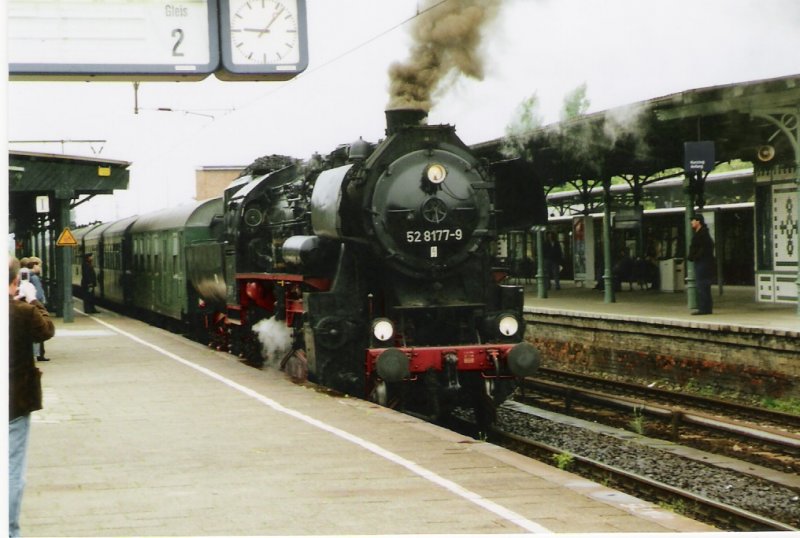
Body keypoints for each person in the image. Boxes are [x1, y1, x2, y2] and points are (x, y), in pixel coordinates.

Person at [9, 256, 56, 537]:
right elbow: (46, 330)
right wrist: (33, 300)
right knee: (12, 471)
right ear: (16, 282)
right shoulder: (21, 313)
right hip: (14, 404)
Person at [687, 213, 715, 315]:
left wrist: (695, 257)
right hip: (703, 262)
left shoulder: (702, 234)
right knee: (704, 286)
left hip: (703, 263)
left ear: (698, 221)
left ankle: (704, 308)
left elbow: (705, 248)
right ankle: (707, 308)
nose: (691, 222)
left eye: (693, 220)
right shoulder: (703, 233)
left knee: (701, 285)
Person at [26, 257, 49, 361]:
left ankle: (37, 353)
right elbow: (39, 294)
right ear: (35, 265)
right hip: (36, 306)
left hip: (30, 305)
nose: (40, 267)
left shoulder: (26, 276)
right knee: (40, 328)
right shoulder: (34, 278)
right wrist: (42, 304)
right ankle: (39, 354)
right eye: (39, 265)